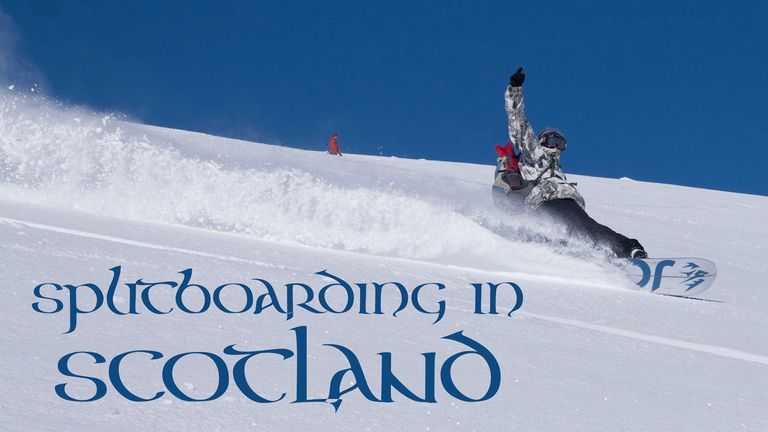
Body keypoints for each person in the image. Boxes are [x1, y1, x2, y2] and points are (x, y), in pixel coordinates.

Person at [494, 67, 647, 259]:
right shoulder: (534, 153)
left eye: (560, 143)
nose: (557, 147)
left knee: (577, 233)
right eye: (552, 141)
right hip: (551, 200)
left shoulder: (555, 166)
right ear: (541, 141)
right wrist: (515, 89)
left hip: (554, 204)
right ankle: (628, 249)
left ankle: (587, 258)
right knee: (589, 229)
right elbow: (518, 121)